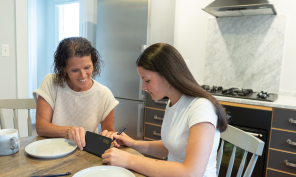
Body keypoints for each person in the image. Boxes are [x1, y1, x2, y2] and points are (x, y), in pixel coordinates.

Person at [101, 43, 228, 176]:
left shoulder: (201, 108)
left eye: (147, 80)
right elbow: (171, 147)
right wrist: (133, 143)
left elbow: (192, 173)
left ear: (167, 74)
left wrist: (129, 160)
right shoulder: (173, 103)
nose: (143, 87)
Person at [33, 37, 119, 150]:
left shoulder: (104, 94)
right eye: (75, 70)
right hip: (52, 149)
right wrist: (69, 131)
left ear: (93, 63)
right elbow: (41, 127)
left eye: (87, 67)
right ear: (64, 68)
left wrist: (110, 135)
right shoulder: (51, 82)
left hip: (84, 153)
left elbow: (109, 132)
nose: (83, 76)